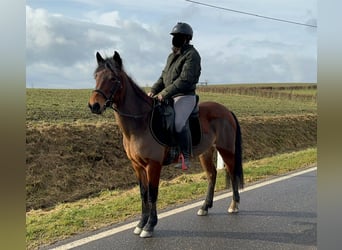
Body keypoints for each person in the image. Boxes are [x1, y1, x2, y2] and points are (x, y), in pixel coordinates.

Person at [147, 22, 201, 169]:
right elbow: (163, 76)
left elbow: (184, 80)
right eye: (174, 36)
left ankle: (186, 156)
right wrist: (154, 90)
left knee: (178, 122)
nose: (175, 39)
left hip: (185, 96)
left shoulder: (192, 55)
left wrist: (164, 93)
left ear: (186, 38)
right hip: (170, 95)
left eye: (178, 36)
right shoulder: (171, 56)